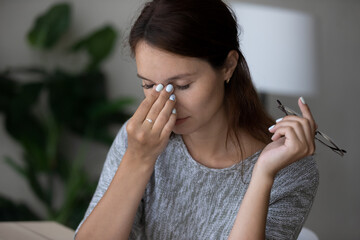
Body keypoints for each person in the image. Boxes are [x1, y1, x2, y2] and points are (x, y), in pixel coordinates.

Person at [75, 0, 319, 239]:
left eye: (182, 85)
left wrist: (263, 175)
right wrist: (138, 158)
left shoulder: (289, 169)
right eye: (148, 84)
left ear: (228, 66)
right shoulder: (140, 140)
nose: (166, 102)